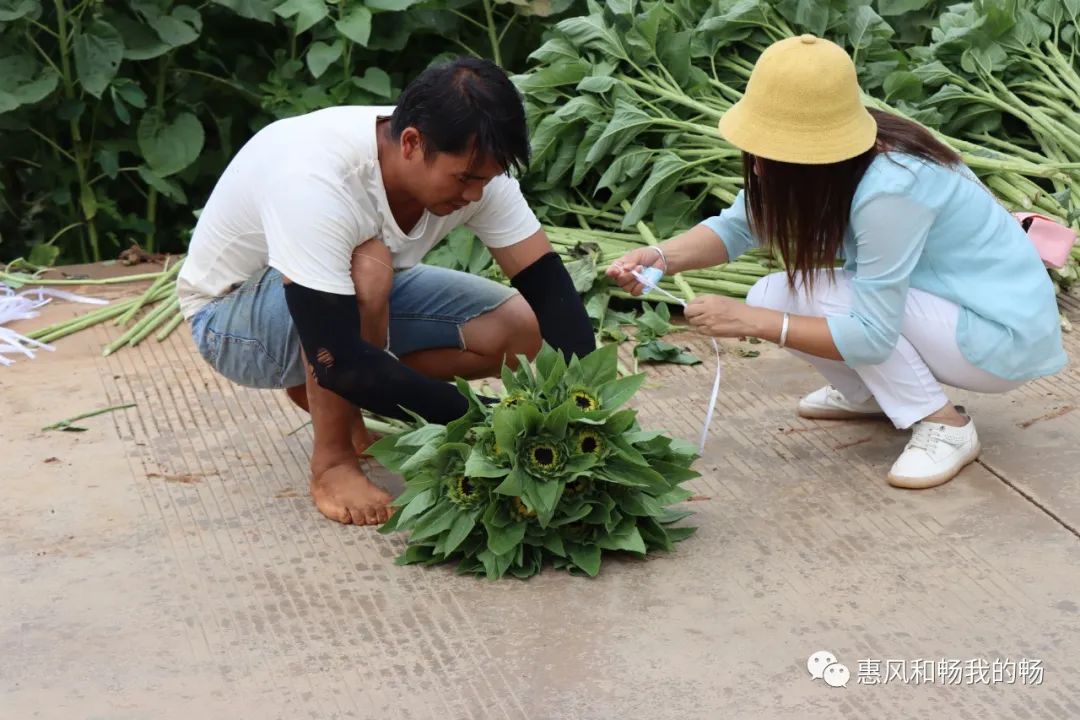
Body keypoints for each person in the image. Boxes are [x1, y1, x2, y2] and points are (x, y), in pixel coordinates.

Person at [607, 34, 1067, 490]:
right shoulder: (841, 157)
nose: (759, 166)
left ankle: (945, 424)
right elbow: (739, 227)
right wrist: (661, 258)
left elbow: (871, 334)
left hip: (1000, 336)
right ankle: (873, 396)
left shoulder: (892, 188)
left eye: (770, 149)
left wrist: (752, 322)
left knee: (820, 300)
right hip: (949, 311)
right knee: (772, 292)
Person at [177, 57, 594, 525]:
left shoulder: (474, 160)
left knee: (518, 328)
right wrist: (492, 422)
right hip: (235, 322)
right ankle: (332, 462)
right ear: (413, 143)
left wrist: (587, 405)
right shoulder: (317, 177)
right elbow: (342, 355)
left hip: (329, 308)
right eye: (466, 180)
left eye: (487, 180)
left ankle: (334, 395)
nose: (476, 195)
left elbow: (546, 284)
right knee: (368, 267)